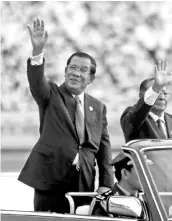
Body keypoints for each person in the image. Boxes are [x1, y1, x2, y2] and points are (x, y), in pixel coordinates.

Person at [18, 18, 114, 213]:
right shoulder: (51, 94)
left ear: (91, 78)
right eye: (72, 68)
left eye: (83, 70)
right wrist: (37, 51)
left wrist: (106, 183)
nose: (76, 73)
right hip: (51, 181)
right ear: (65, 71)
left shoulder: (98, 107)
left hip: (84, 184)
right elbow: (36, 81)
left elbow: (104, 148)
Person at [120, 60, 172, 211]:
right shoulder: (133, 117)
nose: (162, 96)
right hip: (148, 193)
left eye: (165, 93)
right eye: (158, 93)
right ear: (142, 96)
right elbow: (137, 114)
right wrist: (156, 87)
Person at [90, 151, 142, 216]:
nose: (146, 175)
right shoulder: (104, 202)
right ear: (125, 173)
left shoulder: (147, 197)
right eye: (140, 170)